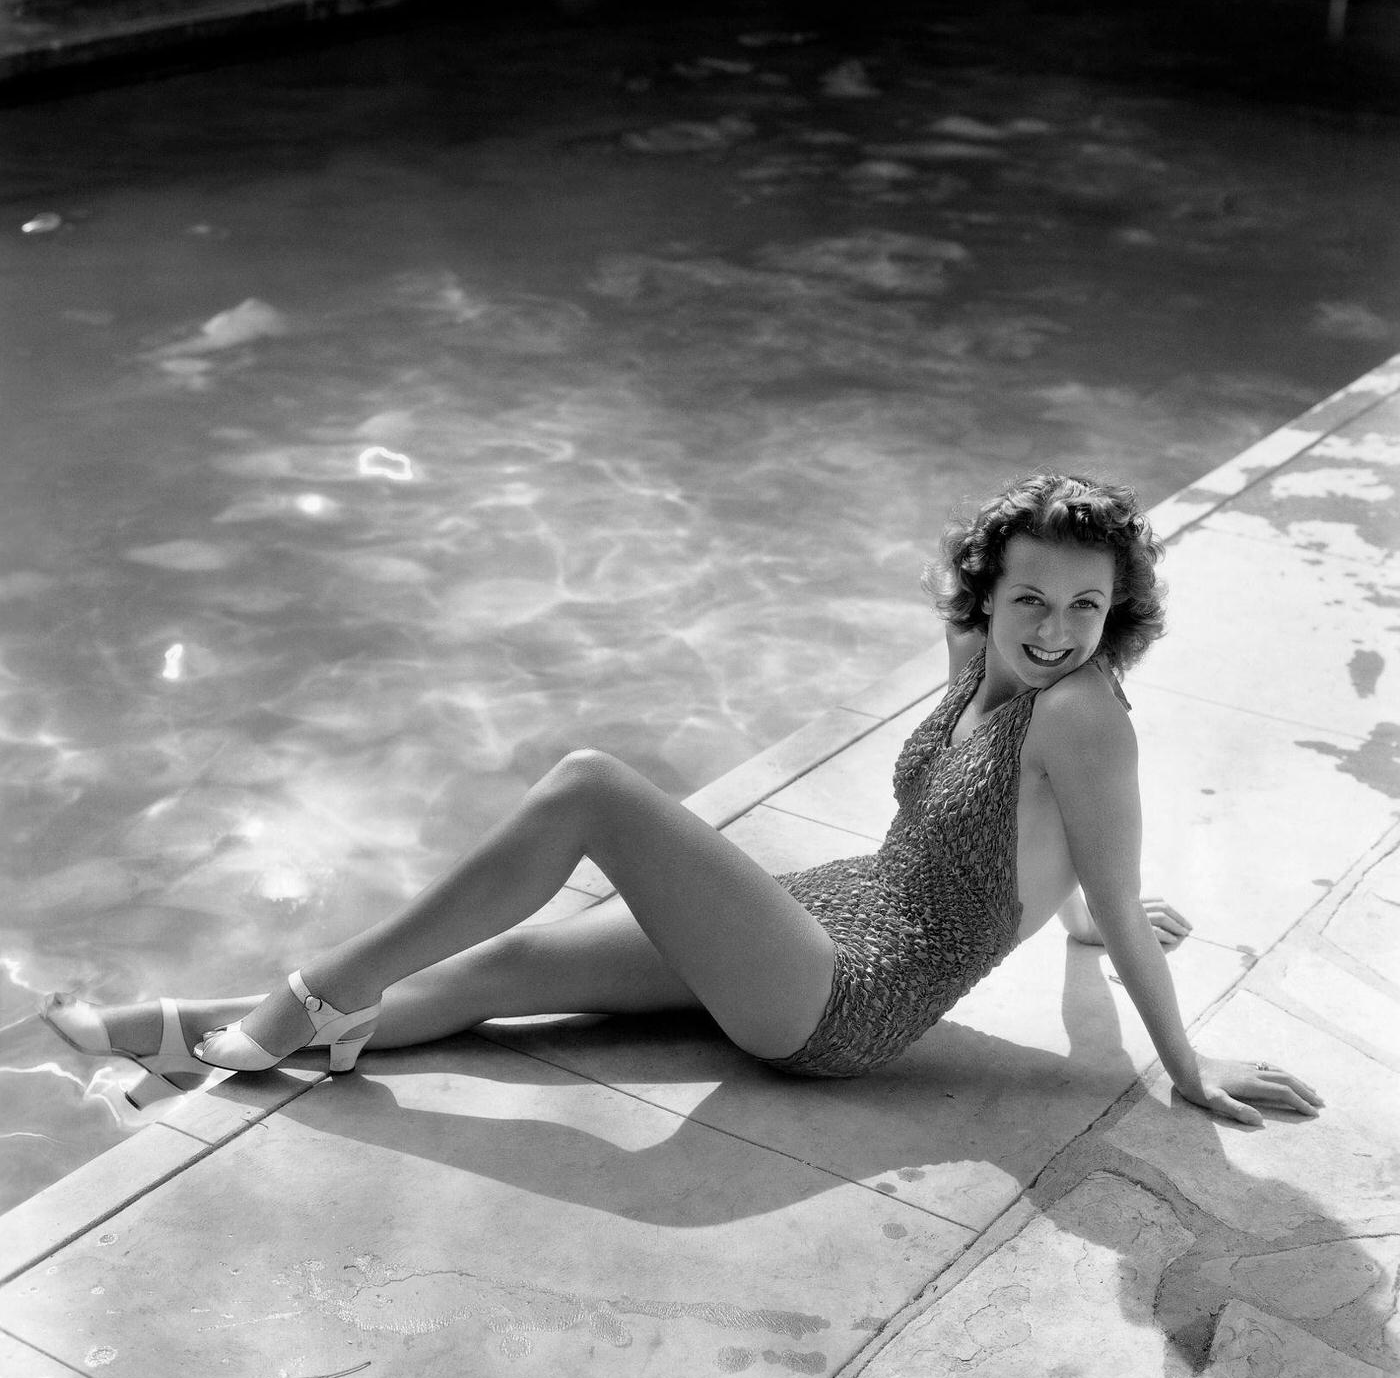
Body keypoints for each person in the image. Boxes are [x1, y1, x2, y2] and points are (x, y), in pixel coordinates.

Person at [42, 470, 1321, 1127]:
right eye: (1030, 599)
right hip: (827, 911)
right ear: (986, 596)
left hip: (844, 1002)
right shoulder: (980, 658)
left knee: (592, 786)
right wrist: (1094, 922)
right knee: (507, 966)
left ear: (1120, 612)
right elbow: (1059, 871)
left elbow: (1090, 859)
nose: (1054, 630)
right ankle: (186, 1031)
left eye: (1086, 605)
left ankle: (306, 994)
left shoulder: (1087, 714)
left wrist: (1184, 1063)